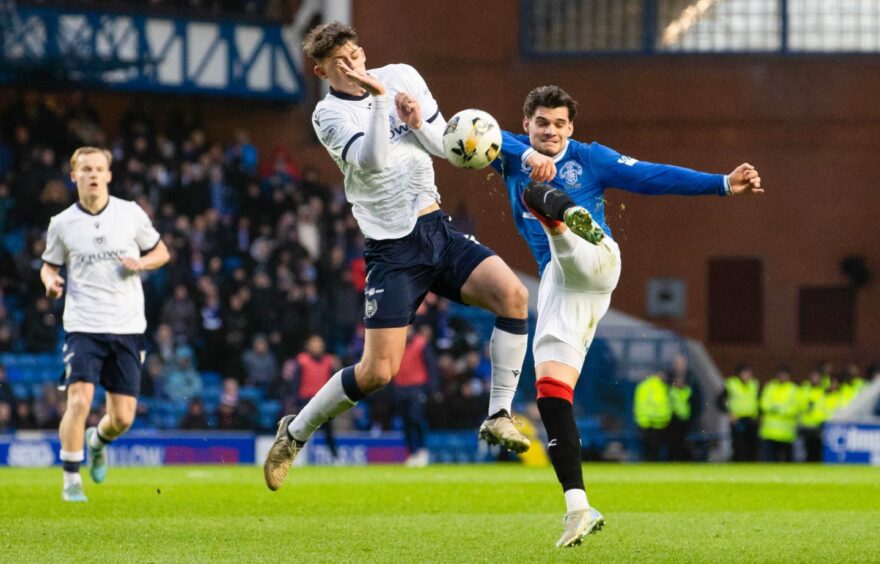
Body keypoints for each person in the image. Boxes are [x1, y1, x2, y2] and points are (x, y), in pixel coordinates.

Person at [263, 22, 530, 490]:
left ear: (362, 52)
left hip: (435, 228)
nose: (351, 68)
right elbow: (372, 161)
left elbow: (443, 150)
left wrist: (416, 121)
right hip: (392, 249)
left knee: (513, 296)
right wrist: (381, 100)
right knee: (377, 373)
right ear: (321, 70)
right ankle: (296, 431)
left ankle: (498, 414)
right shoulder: (327, 115)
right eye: (338, 64)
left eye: (354, 56)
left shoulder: (402, 74)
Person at [492, 85, 763, 546]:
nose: (551, 130)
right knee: (551, 393)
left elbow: (653, 177)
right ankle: (578, 508)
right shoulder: (508, 149)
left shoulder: (591, 159)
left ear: (571, 128)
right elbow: (461, 133)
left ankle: (563, 215)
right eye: (542, 122)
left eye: (560, 123)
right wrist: (417, 121)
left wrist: (721, 183)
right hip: (561, 286)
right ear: (527, 124)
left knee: (538, 194)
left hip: (598, 260)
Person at [41, 146, 169, 501]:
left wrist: (141, 264)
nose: (93, 175)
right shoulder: (62, 223)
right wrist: (49, 282)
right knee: (80, 400)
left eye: (99, 168)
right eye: (86, 169)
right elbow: (48, 265)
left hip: (127, 327)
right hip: (83, 325)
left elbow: (162, 252)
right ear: (74, 176)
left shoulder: (130, 214)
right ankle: (71, 481)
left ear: (109, 175)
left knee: (123, 418)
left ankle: (97, 441)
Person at [717, 363, 760, 462]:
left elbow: (759, 401)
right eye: (745, 373)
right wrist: (729, 413)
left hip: (751, 420)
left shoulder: (754, 384)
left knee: (752, 446)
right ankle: (739, 465)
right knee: (739, 446)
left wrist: (759, 415)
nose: (747, 375)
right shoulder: (732, 384)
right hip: (737, 420)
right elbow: (719, 401)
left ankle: (752, 467)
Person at [759, 366, 799, 462]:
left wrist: (776, 408)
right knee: (770, 459)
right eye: (781, 375)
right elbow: (763, 404)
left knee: (787, 460)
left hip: (786, 432)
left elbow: (795, 408)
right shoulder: (770, 387)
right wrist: (782, 409)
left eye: (785, 375)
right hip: (770, 432)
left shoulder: (794, 389)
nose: (782, 377)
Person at [634, 372, 672, 461]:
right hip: (659, 422)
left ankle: (647, 462)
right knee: (655, 448)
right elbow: (664, 404)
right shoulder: (662, 387)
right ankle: (654, 462)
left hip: (644, 421)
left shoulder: (643, 386)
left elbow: (638, 404)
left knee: (647, 447)